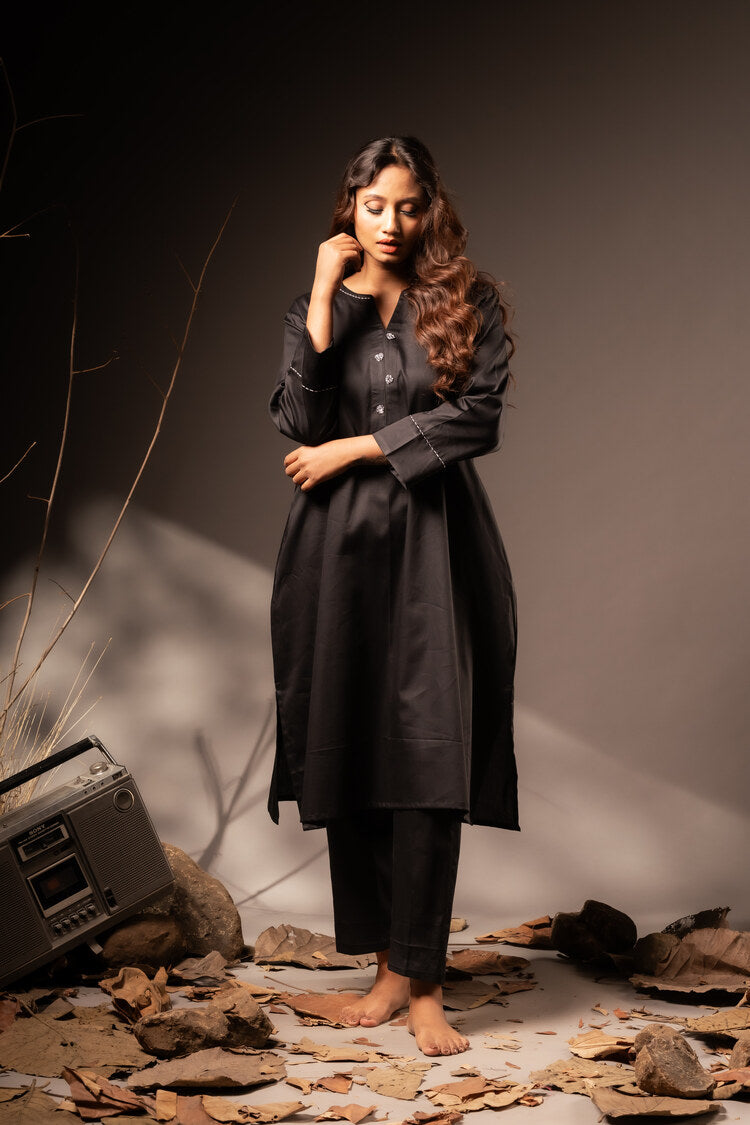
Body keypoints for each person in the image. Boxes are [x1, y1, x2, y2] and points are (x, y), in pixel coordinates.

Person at [267, 135, 519, 1057]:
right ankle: (384, 972)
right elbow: (298, 419)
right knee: (350, 750)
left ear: (429, 211)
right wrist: (321, 301)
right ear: (351, 207)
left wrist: (355, 448)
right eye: (374, 206)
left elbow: (477, 418)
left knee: (427, 760)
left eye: (408, 207)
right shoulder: (318, 306)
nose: (390, 224)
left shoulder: (467, 301)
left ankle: (426, 986)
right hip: (333, 556)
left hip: (434, 550)